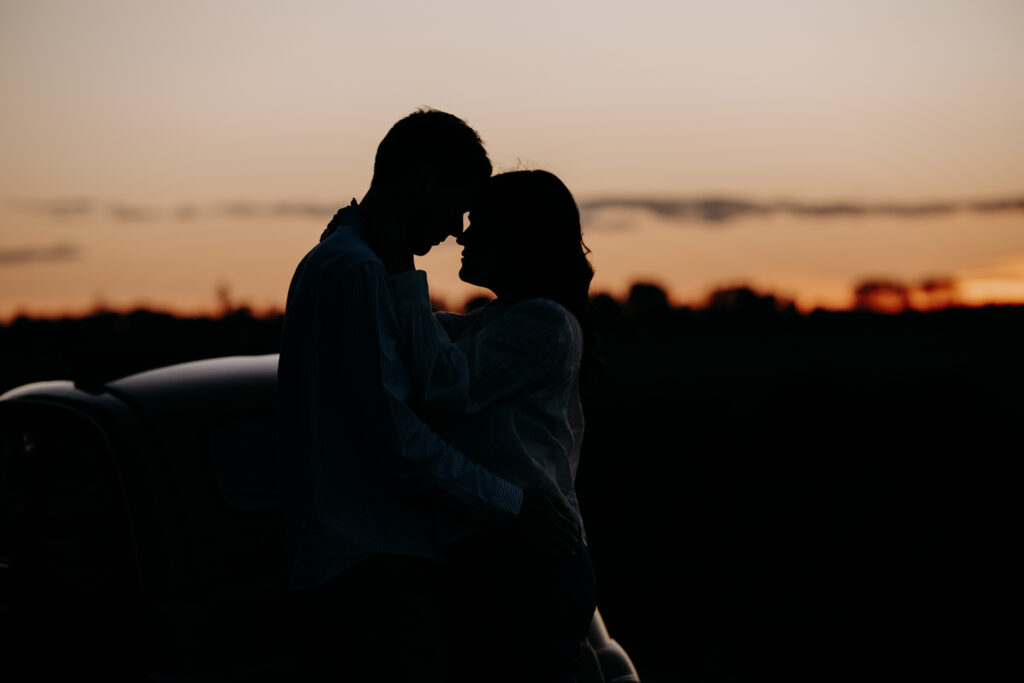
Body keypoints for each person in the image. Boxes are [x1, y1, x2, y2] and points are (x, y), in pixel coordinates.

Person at [277, 112, 580, 682]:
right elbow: (401, 440)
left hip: (370, 572)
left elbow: (433, 366)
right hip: (374, 570)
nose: (456, 229)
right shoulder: (358, 271)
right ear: (419, 182)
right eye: (457, 205)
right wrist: (515, 506)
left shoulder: (350, 264)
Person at [391, 170, 600, 682]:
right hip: (503, 557)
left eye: (478, 223)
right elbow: (423, 342)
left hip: (528, 562)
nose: (462, 235)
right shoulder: (495, 320)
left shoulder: (546, 323)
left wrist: (401, 267)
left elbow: (443, 382)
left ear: (517, 237)